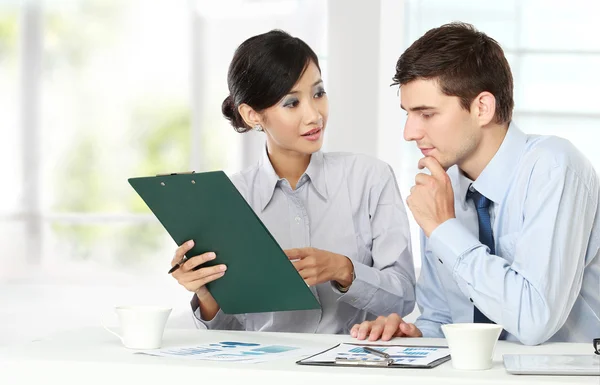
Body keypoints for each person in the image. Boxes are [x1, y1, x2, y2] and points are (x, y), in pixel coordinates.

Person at [351, 22, 600, 345]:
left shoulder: (553, 167)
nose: (409, 132)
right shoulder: (444, 188)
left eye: (426, 114)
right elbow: (442, 319)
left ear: (482, 107)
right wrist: (413, 335)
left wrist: (444, 229)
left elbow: (535, 320)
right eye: (407, 114)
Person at [170, 30, 416, 333]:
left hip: (350, 366)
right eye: (291, 103)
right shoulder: (231, 197)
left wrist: (344, 270)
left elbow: (403, 298)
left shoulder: (370, 177)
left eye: (318, 93)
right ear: (252, 115)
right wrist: (207, 295)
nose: (314, 115)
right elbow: (227, 332)